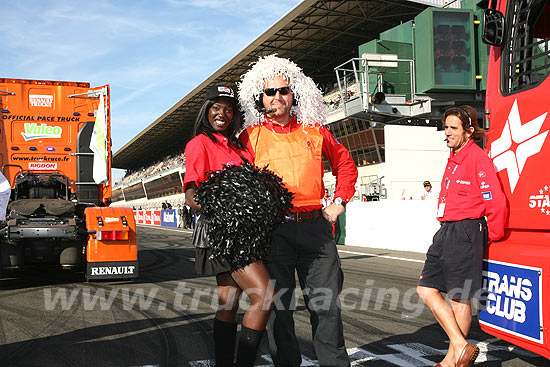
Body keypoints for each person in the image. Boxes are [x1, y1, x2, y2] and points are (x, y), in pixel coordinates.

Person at [238, 54, 358, 367]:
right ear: (260, 99)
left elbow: (345, 164)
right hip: (274, 234)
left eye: (283, 91)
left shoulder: (315, 130)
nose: (277, 96)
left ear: (293, 95)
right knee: (280, 310)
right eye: (270, 92)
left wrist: (339, 201)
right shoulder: (249, 137)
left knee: (326, 307)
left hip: (316, 231)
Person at [184, 85, 275, 367]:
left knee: (229, 302)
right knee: (265, 294)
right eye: (216, 108)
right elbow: (191, 195)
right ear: (207, 112)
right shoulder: (199, 143)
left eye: (228, 109)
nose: (222, 114)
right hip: (221, 231)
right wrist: (226, 212)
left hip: (246, 231)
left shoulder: (240, 147)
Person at [416, 105, 507, 367]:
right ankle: (460, 345)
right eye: (446, 127)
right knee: (425, 288)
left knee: (459, 296)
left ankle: (451, 360)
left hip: (467, 229)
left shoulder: (477, 158)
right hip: (446, 230)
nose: (447, 133)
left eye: (453, 128)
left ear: (469, 131)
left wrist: (495, 236)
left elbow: (495, 201)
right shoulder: (454, 157)